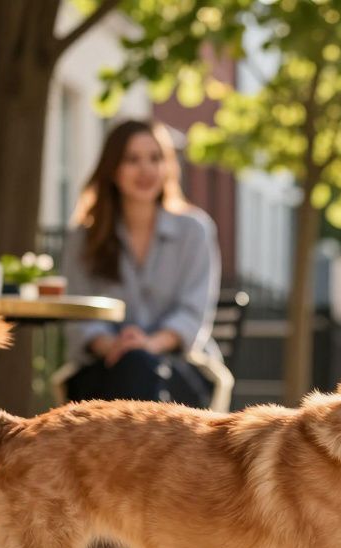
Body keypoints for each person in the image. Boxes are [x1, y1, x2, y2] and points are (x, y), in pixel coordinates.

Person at [61, 119, 222, 409]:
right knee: (131, 368)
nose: (146, 170)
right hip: (104, 367)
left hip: (179, 368)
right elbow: (79, 315)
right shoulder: (83, 238)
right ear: (112, 169)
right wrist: (114, 346)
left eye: (155, 158)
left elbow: (193, 312)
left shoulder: (195, 231)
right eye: (132, 159)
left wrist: (148, 345)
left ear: (168, 166)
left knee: (137, 368)